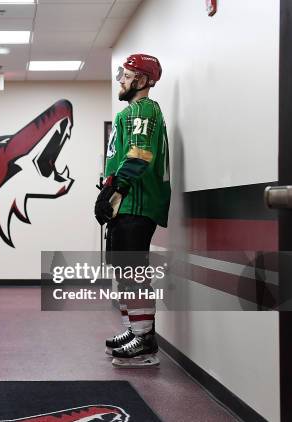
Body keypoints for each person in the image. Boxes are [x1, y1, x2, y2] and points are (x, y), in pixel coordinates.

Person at [94, 53, 170, 367]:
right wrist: (109, 193)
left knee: (133, 272)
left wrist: (116, 189)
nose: (121, 81)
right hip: (126, 203)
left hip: (137, 203)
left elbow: (140, 154)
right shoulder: (131, 112)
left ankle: (144, 338)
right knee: (123, 270)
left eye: (125, 75)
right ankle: (133, 329)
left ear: (140, 79)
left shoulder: (144, 109)